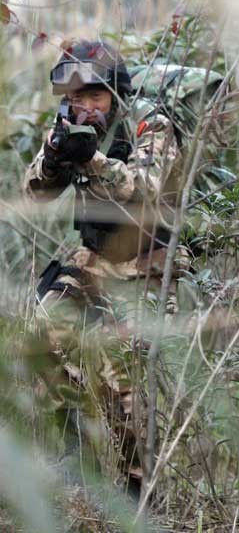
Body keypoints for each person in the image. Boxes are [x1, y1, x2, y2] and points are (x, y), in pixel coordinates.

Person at [23, 39, 187, 501]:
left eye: (94, 97)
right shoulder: (69, 123)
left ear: (115, 95)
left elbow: (145, 188)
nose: (84, 107)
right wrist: (56, 154)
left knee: (125, 375)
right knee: (43, 332)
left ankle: (140, 495)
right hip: (93, 258)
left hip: (147, 263)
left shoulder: (149, 125)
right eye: (76, 98)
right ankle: (76, 452)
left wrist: (90, 155)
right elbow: (34, 192)